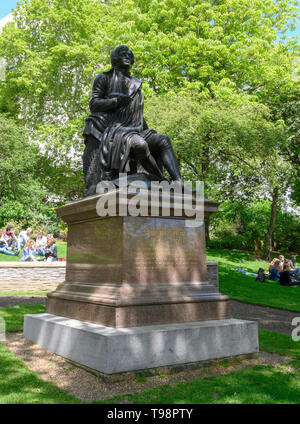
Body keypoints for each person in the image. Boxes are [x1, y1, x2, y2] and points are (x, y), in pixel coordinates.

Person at [82, 45, 183, 196]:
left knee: (163, 140)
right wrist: (116, 101)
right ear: (114, 58)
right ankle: (161, 180)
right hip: (116, 130)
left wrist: (145, 129)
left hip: (135, 128)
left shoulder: (136, 84)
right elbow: (94, 104)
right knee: (140, 146)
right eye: (122, 54)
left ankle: (178, 183)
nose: (127, 56)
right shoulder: (104, 78)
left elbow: (137, 114)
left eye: (129, 54)